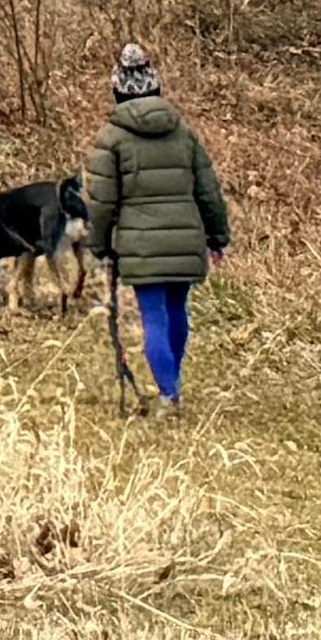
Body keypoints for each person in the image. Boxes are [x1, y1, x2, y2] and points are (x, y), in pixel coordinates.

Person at [83, 42, 232, 416]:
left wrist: (99, 245)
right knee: (176, 309)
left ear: (117, 88)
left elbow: (101, 201)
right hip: (185, 237)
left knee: (153, 316)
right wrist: (217, 237)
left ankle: (168, 393)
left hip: (140, 243)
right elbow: (208, 191)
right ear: (156, 86)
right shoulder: (184, 133)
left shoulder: (111, 138)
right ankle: (172, 384)